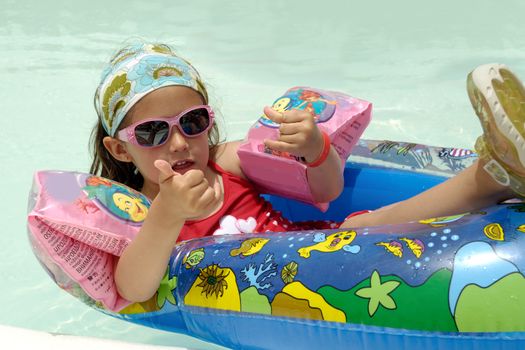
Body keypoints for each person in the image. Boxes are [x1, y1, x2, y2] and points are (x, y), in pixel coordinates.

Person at [90, 42, 523, 302]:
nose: (180, 142)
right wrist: (168, 212)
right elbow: (133, 288)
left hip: (315, 250)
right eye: (151, 133)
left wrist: (316, 152)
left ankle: (493, 174)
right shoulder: (137, 209)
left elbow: (327, 189)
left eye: (193, 122)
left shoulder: (228, 160)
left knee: (369, 225)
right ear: (119, 149)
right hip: (267, 294)